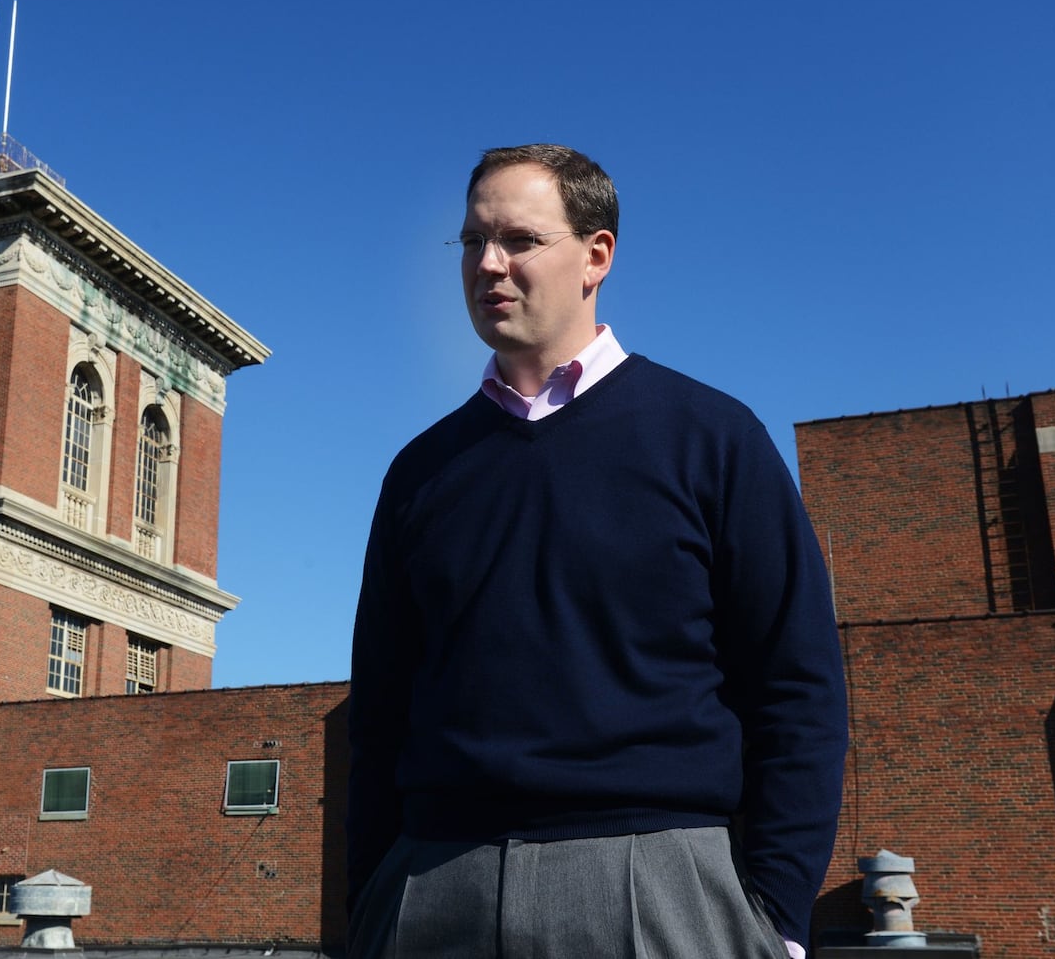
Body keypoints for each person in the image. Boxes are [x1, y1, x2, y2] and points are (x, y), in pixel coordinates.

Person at [345, 144, 848, 959]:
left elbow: (798, 686)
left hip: (658, 884)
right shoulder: (420, 471)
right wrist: (369, 902)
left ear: (596, 256)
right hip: (431, 889)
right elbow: (380, 716)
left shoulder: (712, 439)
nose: (488, 264)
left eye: (518, 240)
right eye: (472, 242)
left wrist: (778, 920)